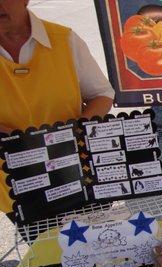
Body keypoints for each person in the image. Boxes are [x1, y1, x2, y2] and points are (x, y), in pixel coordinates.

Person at [0, 0, 115, 217]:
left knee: (104, 244)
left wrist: (77, 130)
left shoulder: (64, 40)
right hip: (19, 186)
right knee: (46, 249)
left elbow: (102, 94)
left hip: (77, 173)